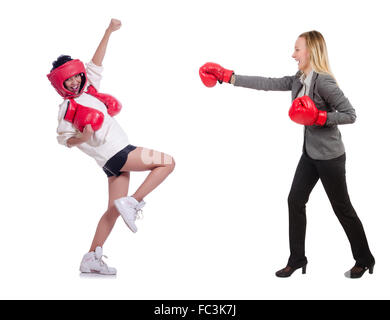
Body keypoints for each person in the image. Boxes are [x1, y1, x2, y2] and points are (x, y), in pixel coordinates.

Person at [199, 30, 374, 278]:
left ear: (311, 51)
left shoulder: (323, 81)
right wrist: (230, 77)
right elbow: (269, 83)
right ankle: (297, 259)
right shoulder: (299, 78)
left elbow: (350, 114)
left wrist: (320, 116)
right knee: (295, 200)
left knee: (341, 208)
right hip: (310, 155)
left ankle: (365, 259)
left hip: (331, 158)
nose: (293, 54)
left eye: (297, 49)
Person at [47, 19, 175, 275]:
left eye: (75, 77)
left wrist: (108, 32)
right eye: (68, 80)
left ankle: (91, 258)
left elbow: (96, 61)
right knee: (168, 162)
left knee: (113, 211)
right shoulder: (67, 108)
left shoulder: (90, 90)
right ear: (60, 83)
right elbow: (64, 140)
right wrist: (82, 137)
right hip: (117, 153)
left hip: (112, 162)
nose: (73, 82)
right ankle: (135, 201)